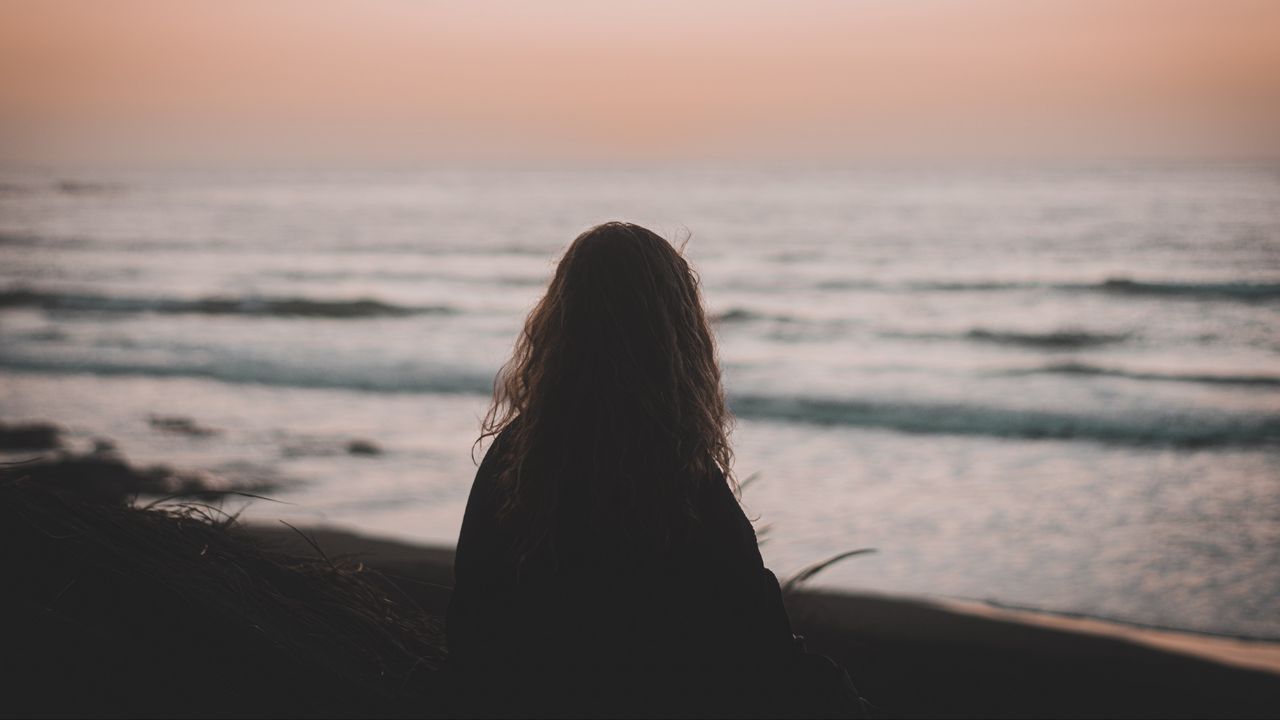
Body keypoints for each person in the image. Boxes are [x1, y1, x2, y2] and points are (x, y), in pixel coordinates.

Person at [445, 222, 866, 718]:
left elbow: (470, 621)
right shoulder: (676, 474)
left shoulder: (516, 456)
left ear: (561, 324)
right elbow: (760, 644)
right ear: (676, 335)